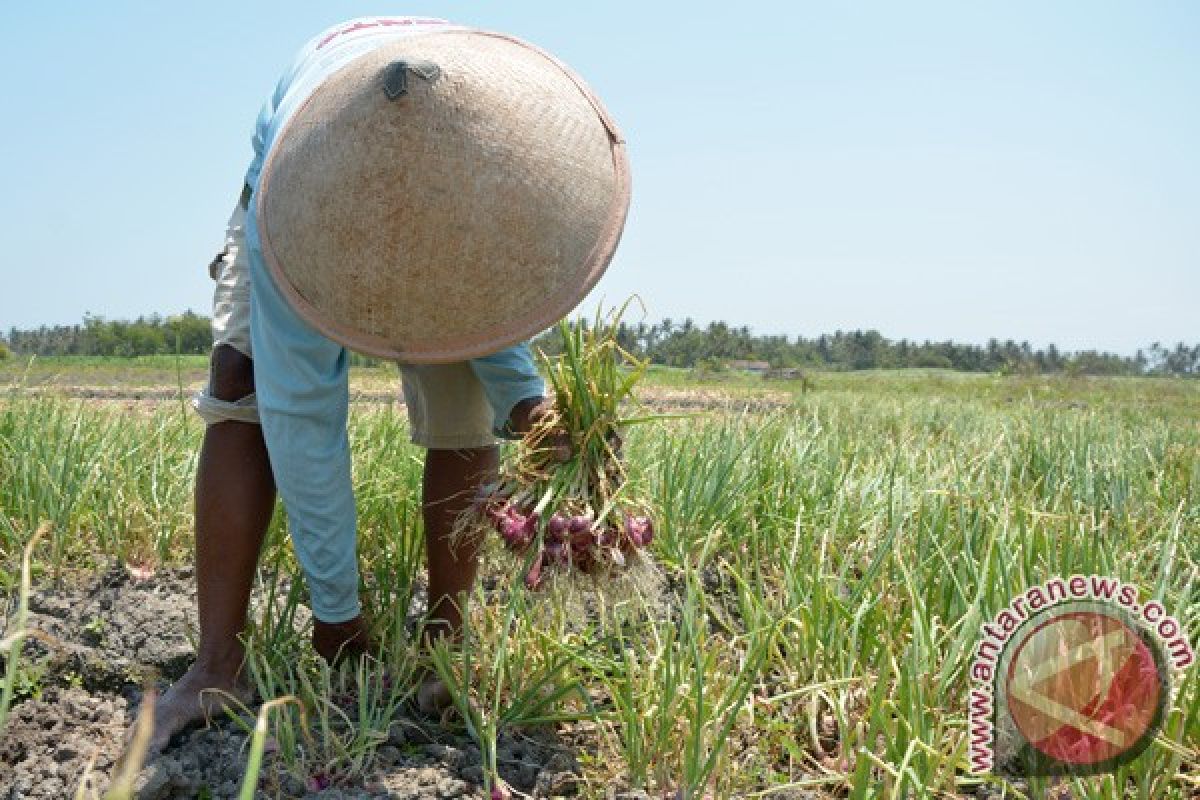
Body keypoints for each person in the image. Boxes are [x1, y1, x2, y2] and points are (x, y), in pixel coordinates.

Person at [142, 16, 570, 752]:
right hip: (303, 182)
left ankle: (446, 644)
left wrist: (531, 406)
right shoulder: (302, 204)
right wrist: (337, 614)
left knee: (464, 400)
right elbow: (301, 411)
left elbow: (489, 320)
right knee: (242, 387)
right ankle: (219, 664)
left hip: (453, 181)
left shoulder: (481, 183)